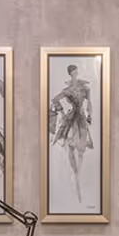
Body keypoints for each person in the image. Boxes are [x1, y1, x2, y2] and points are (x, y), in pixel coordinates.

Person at [47, 62, 94, 209]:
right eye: (74, 71)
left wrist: (89, 115)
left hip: (81, 116)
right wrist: (61, 112)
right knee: (67, 137)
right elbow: (54, 99)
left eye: (77, 71)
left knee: (83, 143)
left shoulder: (85, 88)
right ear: (71, 73)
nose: (76, 73)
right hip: (72, 114)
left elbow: (89, 102)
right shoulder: (67, 90)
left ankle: (78, 174)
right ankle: (75, 175)